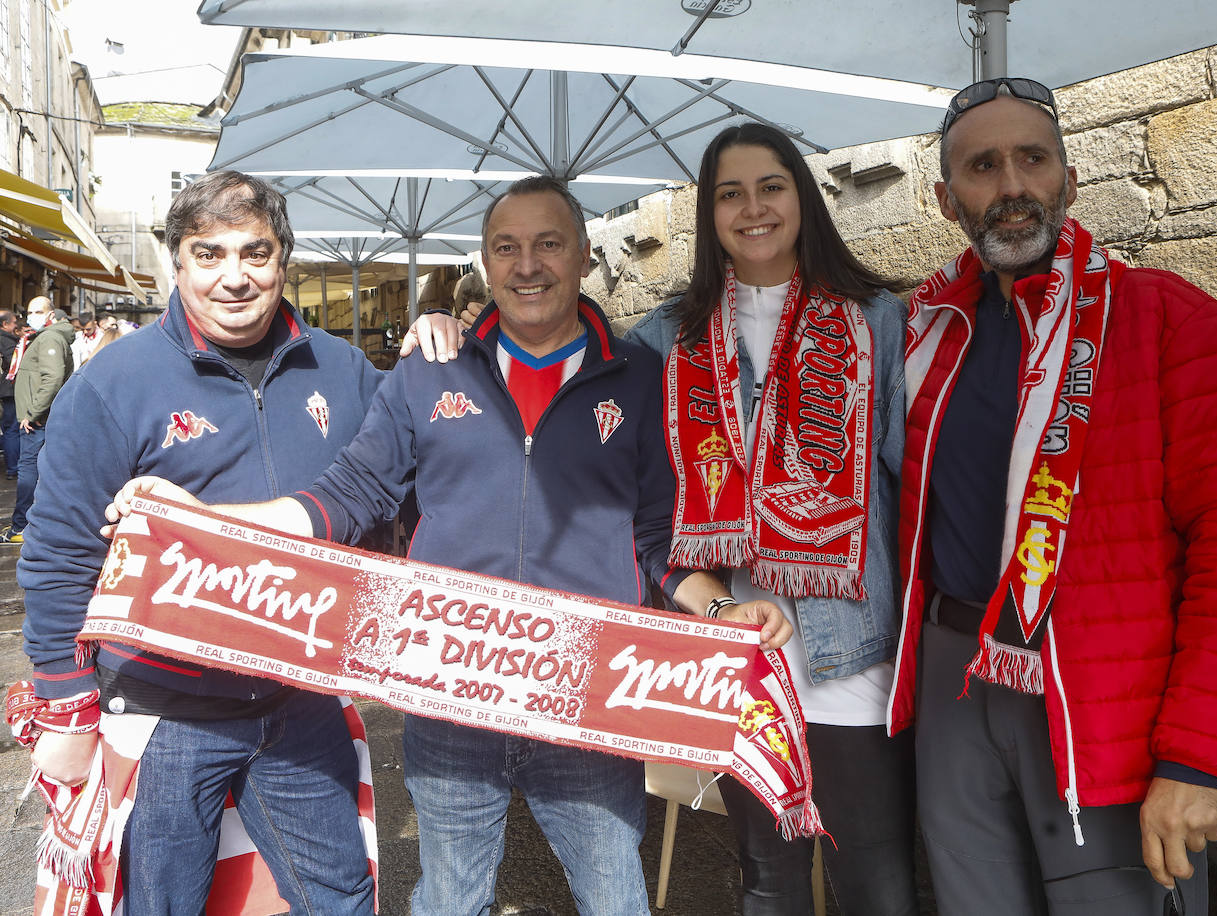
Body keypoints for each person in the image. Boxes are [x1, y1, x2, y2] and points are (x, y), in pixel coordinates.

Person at [109, 175, 790, 916]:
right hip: (450, 692)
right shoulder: (428, 369)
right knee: (450, 899)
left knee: (613, 899)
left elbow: (659, 534)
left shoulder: (639, 379)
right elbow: (347, 497)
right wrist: (203, 523)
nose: (527, 265)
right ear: (487, 264)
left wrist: (720, 606)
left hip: (586, 698)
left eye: (548, 244)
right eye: (507, 248)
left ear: (585, 257)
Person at [891, 78, 1217, 915]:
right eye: (982, 166)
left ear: (1068, 179)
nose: (1010, 186)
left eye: (1032, 159)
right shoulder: (923, 333)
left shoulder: (1171, 321)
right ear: (944, 199)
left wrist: (1196, 759)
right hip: (953, 677)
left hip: (1104, 694)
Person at [17, 169, 459, 912]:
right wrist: (67, 705)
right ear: (177, 263)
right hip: (164, 712)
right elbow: (61, 552)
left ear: (283, 257)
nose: (234, 278)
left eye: (254, 253)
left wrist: (443, 338)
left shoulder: (345, 370)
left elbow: (416, 475)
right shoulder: (112, 383)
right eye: (209, 254)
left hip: (300, 702)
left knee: (342, 897)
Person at [626, 123, 917, 915]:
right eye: (730, 193)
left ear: (803, 197)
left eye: (771, 186)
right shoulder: (662, 340)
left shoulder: (878, 321)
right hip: (741, 656)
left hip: (853, 653)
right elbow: (579, 414)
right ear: (708, 214)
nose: (752, 208)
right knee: (767, 879)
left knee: (878, 884)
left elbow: (914, 487)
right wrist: (449, 335)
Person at [5, 296, 74, 543]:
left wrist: (33, 412)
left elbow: (53, 378)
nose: (31, 316)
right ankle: (33, 524)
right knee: (43, 470)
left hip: (37, 420)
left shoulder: (50, 338)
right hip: (38, 418)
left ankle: (22, 526)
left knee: (29, 471)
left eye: (38, 311)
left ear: (50, 315)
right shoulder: (45, 337)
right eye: (30, 311)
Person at [0, 309, 21, 478]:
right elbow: (13, 362)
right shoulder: (6, 341)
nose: (16, 326)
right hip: (9, 389)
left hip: (7, 389)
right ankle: (13, 468)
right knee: (12, 428)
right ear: (5, 324)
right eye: (14, 322)